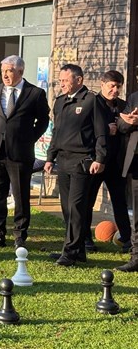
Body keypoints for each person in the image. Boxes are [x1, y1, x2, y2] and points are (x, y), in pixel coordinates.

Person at [45, 64, 106, 266]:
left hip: (82, 161)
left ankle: (70, 253)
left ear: (79, 80)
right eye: (60, 80)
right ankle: (76, 250)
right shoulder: (60, 101)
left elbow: (100, 132)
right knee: (66, 208)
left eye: (65, 80)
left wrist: (99, 159)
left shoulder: (91, 100)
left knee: (76, 207)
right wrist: (50, 157)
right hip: (63, 160)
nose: (61, 84)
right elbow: (56, 132)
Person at [0, 56, 49, 249]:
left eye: (9, 71)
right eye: (2, 71)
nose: (4, 75)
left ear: (20, 72)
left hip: (20, 152)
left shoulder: (35, 93)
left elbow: (43, 121)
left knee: (20, 195)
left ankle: (20, 235)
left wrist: (29, 138)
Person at [84, 70, 131, 252]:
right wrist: (105, 129)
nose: (115, 90)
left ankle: (127, 240)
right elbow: (85, 129)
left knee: (120, 202)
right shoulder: (92, 103)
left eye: (118, 87)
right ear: (102, 84)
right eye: (112, 86)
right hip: (97, 161)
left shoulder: (123, 106)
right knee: (88, 201)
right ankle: (86, 239)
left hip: (116, 162)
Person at [116, 91, 138, 271]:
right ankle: (136, 258)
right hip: (137, 164)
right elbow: (121, 126)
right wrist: (129, 121)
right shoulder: (134, 97)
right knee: (137, 215)